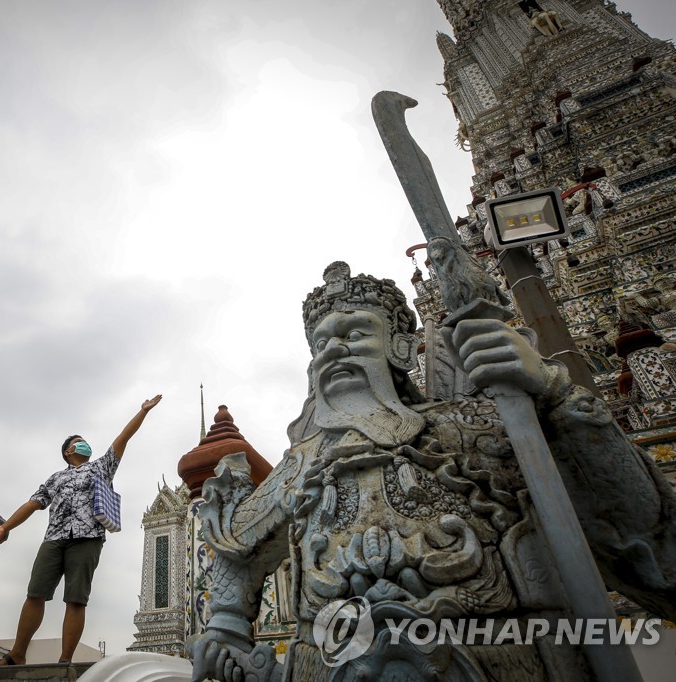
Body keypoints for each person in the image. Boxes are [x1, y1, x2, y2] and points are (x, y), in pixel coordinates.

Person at [187, 262, 676, 681]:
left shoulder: (479, 424)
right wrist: (226, 624)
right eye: (321, 343)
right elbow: (236, 546)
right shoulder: (302, 463)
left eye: (355, 333)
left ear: (400, 348)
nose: (334, 350)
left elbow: (637, 533)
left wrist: (552, 393)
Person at [0, 394, 163, 666]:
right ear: (68, 451)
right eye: (77, 441)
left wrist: (143, 411)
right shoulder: (56, 477)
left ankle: (65, 660)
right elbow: (33, 504)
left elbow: (123, 438)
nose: (84, 444)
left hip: (88, 537)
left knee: (76, 599)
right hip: (54, 538)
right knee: (35, 593)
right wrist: (6, 527)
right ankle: (17, 655)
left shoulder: (101, 468)